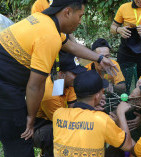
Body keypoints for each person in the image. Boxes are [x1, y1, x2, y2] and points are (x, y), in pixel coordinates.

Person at [0, 0, 117, 156]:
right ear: (67, 12)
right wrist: (30, 118)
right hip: (5, 85)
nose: (80, 21)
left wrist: (100, 58)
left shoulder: (44, 21)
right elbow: (35, 86)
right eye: (80, 16)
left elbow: (70, 45)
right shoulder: (49, 37)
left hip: (9, 79)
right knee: (20, 140)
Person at [53, 70, 134, 156]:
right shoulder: (102, 120)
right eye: (102, 91)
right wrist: (120, 113)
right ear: (98, 96)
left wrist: (91, 110)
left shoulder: (58, 114)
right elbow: (128, 146)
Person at [33, 52, 87, 157]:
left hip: (59, 120)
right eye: (74, 73)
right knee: (57, 133)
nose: (78, 76)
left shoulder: (68, 83)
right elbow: (64, 123)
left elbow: (73, 109)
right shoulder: (49, 95)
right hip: (41, 128)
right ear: (61, 74)